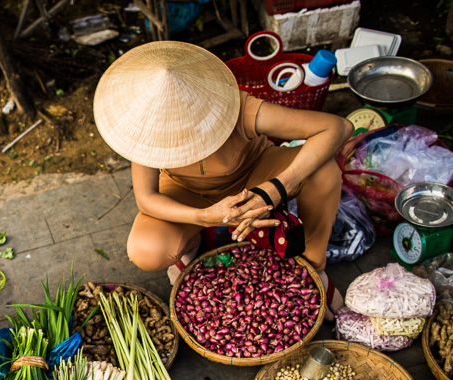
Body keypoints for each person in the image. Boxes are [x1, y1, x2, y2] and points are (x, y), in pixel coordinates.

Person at [93, 42, 352, 315]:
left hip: (254, 172)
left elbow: (338, 127)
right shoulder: (143, 127)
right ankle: (192, 242)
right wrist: (202, 217)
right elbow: (146, 198)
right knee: (147, 250)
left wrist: (276, 188)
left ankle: (311, 266)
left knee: (323, 170)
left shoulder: (236, 106)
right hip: (187, 192)